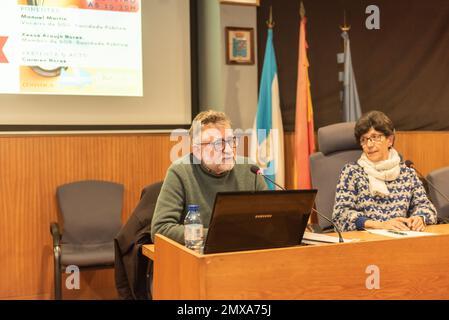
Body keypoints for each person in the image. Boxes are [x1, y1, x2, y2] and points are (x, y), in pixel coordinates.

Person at [151, 110, 268, 244]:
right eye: (219, 144)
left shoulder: (250, 170)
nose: (229, 150)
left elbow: (270, 218)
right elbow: (160, 229)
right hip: (198, 257)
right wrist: (219, 235)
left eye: (231, 141)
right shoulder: (180, 172)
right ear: (197, 151)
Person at [332, 110, 437, 232]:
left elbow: (427, 207)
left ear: (390, 140)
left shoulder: (407, 173)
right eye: (364, 140)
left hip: (402, 239)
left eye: (375, 137)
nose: (369, 145)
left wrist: (419, 218)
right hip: (365, 241)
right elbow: (340, 216)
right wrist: (380, 225)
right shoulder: (352, 172)